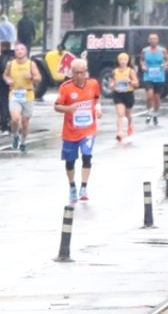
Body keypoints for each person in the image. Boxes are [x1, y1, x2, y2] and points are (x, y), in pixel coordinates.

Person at [54, 59, 101, 204]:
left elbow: (97, 99)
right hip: (70, 131)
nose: (80, 76)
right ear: (72, 73)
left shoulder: (93, 84)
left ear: (86, 71)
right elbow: (56, 106)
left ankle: (84, 188)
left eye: (82, 72)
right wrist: (68, 109)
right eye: (77, 73)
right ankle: (72, 186)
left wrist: (98, 108)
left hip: (88, 129)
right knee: (70, 162)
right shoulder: (65, 88)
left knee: (87, 155)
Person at [4, 42, 42, 153]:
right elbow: (5, 75)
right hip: (14, 94)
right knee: (15, 118)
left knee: (25, 122)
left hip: (27, 95)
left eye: (22, 49)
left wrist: (31, 77)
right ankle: (15, 135)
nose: (19, 51)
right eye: (17, 50)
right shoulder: (10, 64)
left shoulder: (31, 64)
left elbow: (38, 78)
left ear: (25, 51)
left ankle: (23, 142)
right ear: (15, 52)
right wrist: (7, 80)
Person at [139, 33, 168, 125]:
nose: (153, 41)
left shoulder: (162, 50)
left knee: (157, 98)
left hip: (159, 77)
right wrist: (143, 66)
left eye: (155, 39)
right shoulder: (145, 51)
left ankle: (155, 114)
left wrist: (165, 64)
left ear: (158, 40)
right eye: (151, 39)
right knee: (149, 96)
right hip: (148, 76)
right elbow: (142, 60)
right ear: (148, 40)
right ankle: (149, 112)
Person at [110, 52, 138, 142]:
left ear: (128, 61)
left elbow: (136, 83)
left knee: (128, 114)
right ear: (118, 61)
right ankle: (119, 132)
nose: (122, 61)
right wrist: (112, 85)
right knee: (120, 114)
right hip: (118, 94)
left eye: (124, 60)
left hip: (128, 94)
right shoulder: (115, 71)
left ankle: (130, 124)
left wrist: (130, 81)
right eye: (120, 60)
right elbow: (112, 82)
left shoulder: (130, 71)